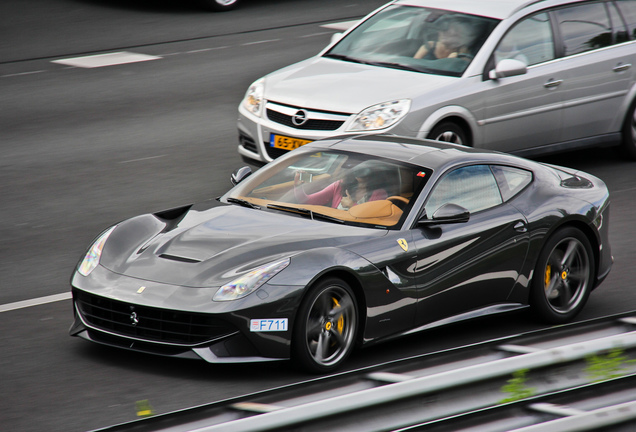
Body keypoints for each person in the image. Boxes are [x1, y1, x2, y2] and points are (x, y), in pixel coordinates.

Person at [294, 162, 388, 210]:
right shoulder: (340, 185)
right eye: (358, 168)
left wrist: (352, 206)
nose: (361, 172)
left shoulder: (379, 194)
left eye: (365, 169)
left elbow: (370, 218)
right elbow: (308, 202)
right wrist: (298, 187)